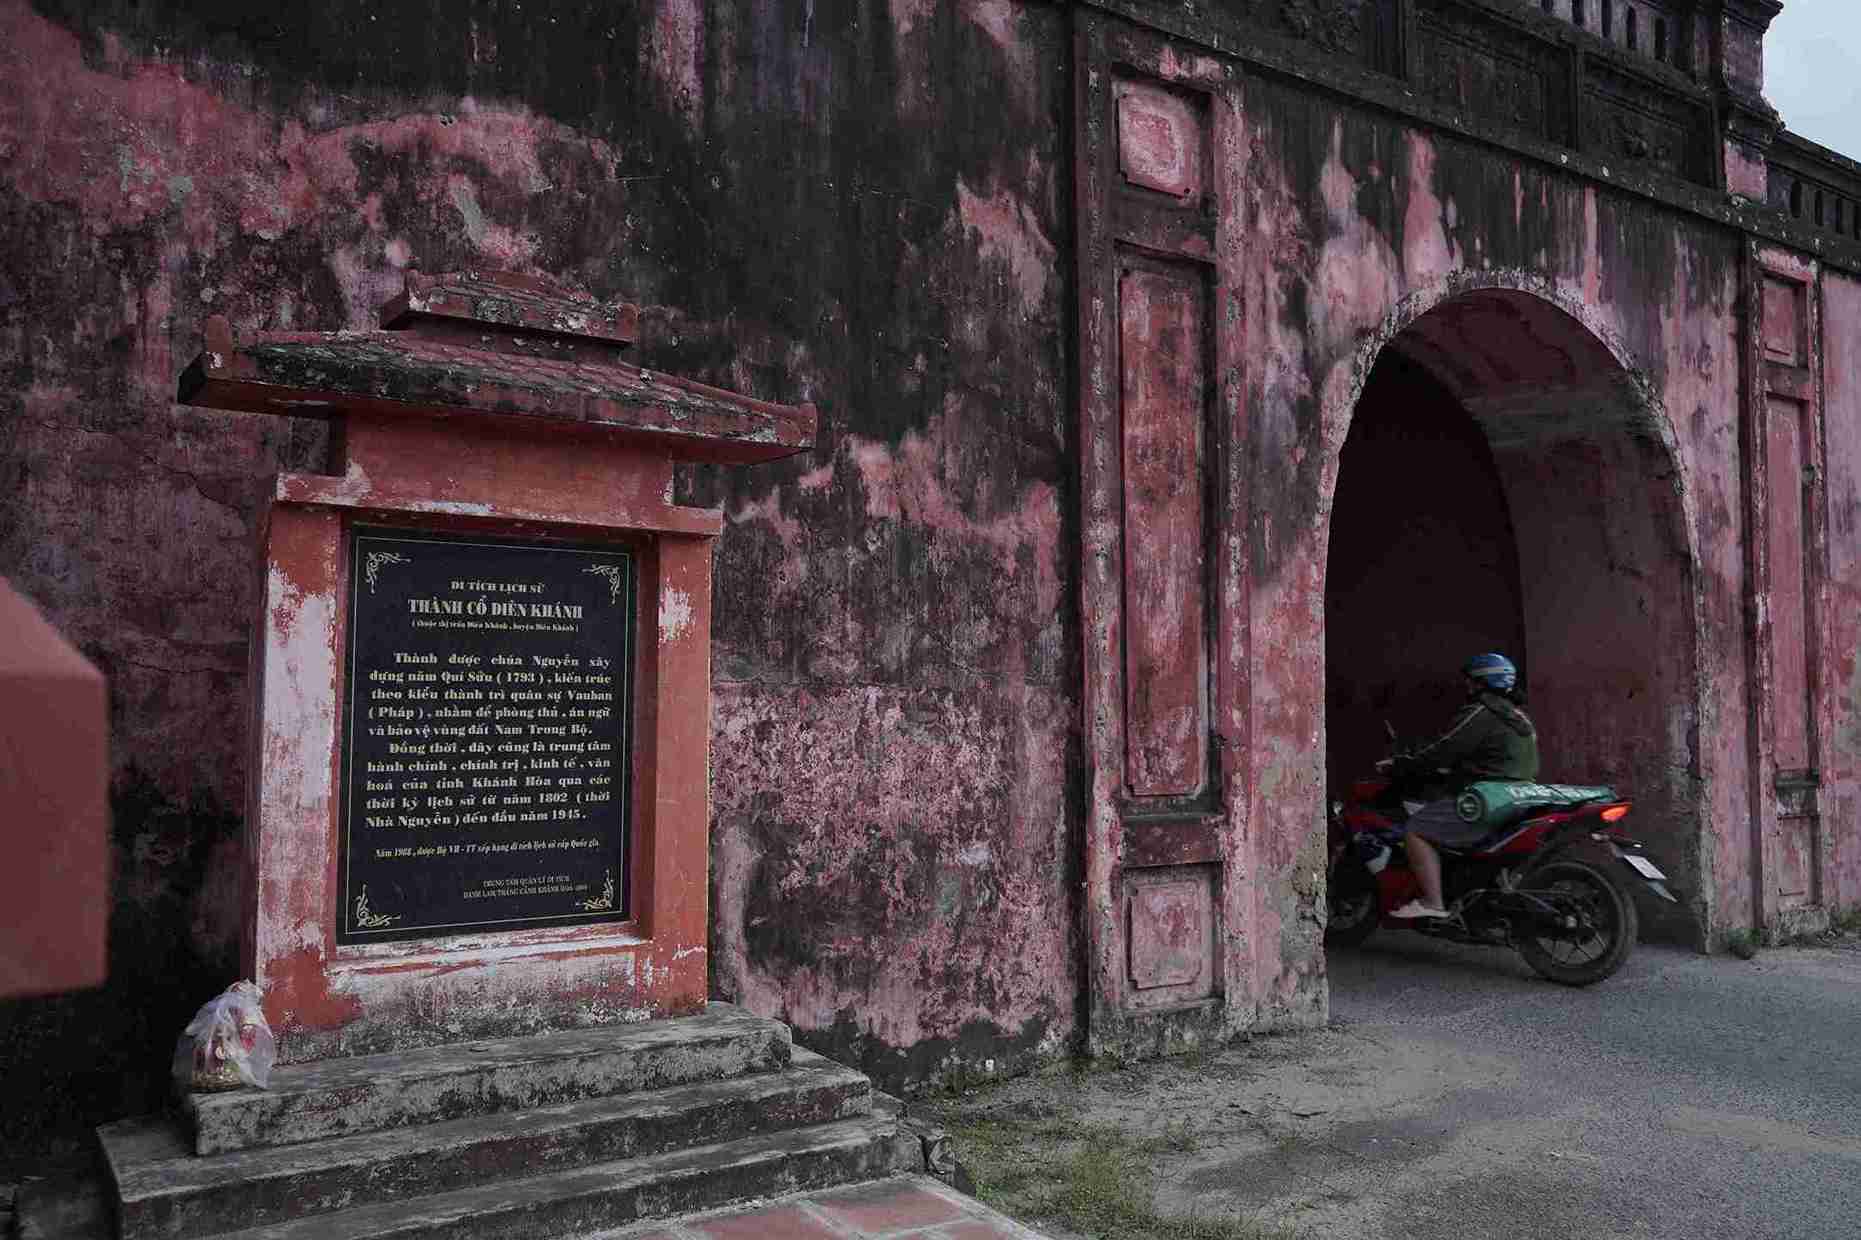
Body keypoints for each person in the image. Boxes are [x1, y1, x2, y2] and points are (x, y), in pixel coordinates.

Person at [1388, 652, 1539, 921]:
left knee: (1416, 830)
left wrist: (1402, 763)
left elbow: (1444, 749)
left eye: (1470, 682)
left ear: (1480, 683)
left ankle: (1433, 902)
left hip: (1487, 797)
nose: (1467, 688)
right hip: (1518, 797)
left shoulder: (1481, 711)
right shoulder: (1518, 716)